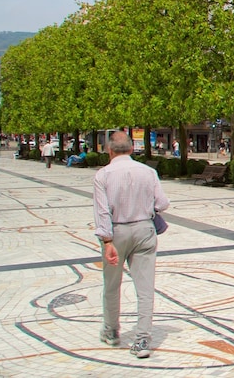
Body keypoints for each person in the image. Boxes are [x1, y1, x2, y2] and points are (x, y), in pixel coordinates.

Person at [93, 131, 170, 359]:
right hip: (144, 230)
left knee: (111, 284)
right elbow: (163, 203)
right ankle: (143, 339)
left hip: (117, 231)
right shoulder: (148, 172)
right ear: (131, 149)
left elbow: (102, 211)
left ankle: (111, 330)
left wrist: (107, 242)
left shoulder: (103, 175)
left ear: (109, 150)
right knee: (145, 288)